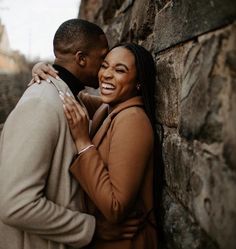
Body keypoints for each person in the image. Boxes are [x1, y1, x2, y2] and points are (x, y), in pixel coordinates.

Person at [0, 19, 138, 249]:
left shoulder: (68, 97)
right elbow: (15, 204)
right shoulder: (41, 104)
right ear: (81, 59)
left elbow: (104, 106)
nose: (106, 66)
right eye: (102, 58)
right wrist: (92, 229)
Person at [32, 42, 158, 249]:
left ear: (138, 83)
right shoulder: (109, 107)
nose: (106, 75)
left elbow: (115, 207)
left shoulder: (132, 120)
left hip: (126, 242)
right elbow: (75, 96)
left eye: (119, 70)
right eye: (104, 66)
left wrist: (83, 141)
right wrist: (42, 69)